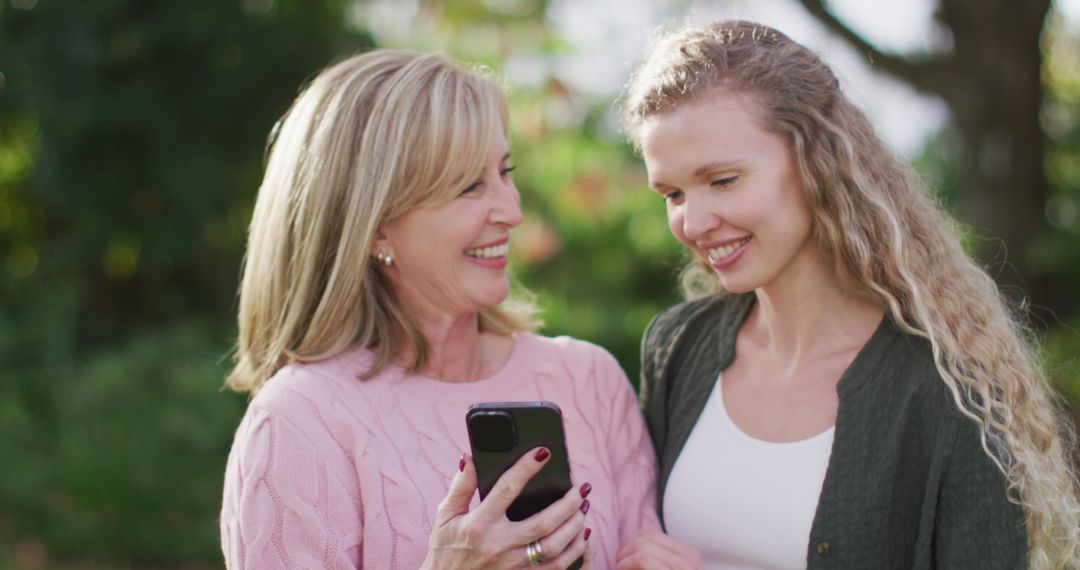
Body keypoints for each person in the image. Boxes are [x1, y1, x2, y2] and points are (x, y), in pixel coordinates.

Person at [615, 19, 1080, 570]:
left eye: (722, 181)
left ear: (816, 162)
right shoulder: (678, 346)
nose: (693, 222)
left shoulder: (951, 387)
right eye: (671, 193)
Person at [219, 50, 659, 569]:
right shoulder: (301, 423)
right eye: (469, 186)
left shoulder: (591, 383)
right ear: (376, 226)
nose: (513, 211)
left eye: (504, 171)